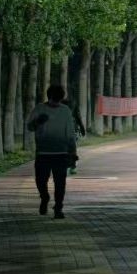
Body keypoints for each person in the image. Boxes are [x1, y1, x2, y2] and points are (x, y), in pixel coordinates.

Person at [27, 85, 78, 219]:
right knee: (40, 181)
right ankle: (44, 197)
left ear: (61, 98)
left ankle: (58, 208)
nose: (55, 102)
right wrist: (38, 121)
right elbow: (29, 127)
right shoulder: (39, 109)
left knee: (60, 183)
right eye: (53, 99)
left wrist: (73, 152)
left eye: (58, 99)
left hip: (61, 153)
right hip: (43, 152)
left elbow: (70, 133)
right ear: (49, 96)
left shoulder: (65, 111)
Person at [60, 98, 87, 174]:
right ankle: (72, 167)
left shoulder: (58, 105)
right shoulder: (73, 104)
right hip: (72, 129)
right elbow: (78, 117)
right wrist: (82, 129)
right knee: (72, 149)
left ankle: (66, 166)